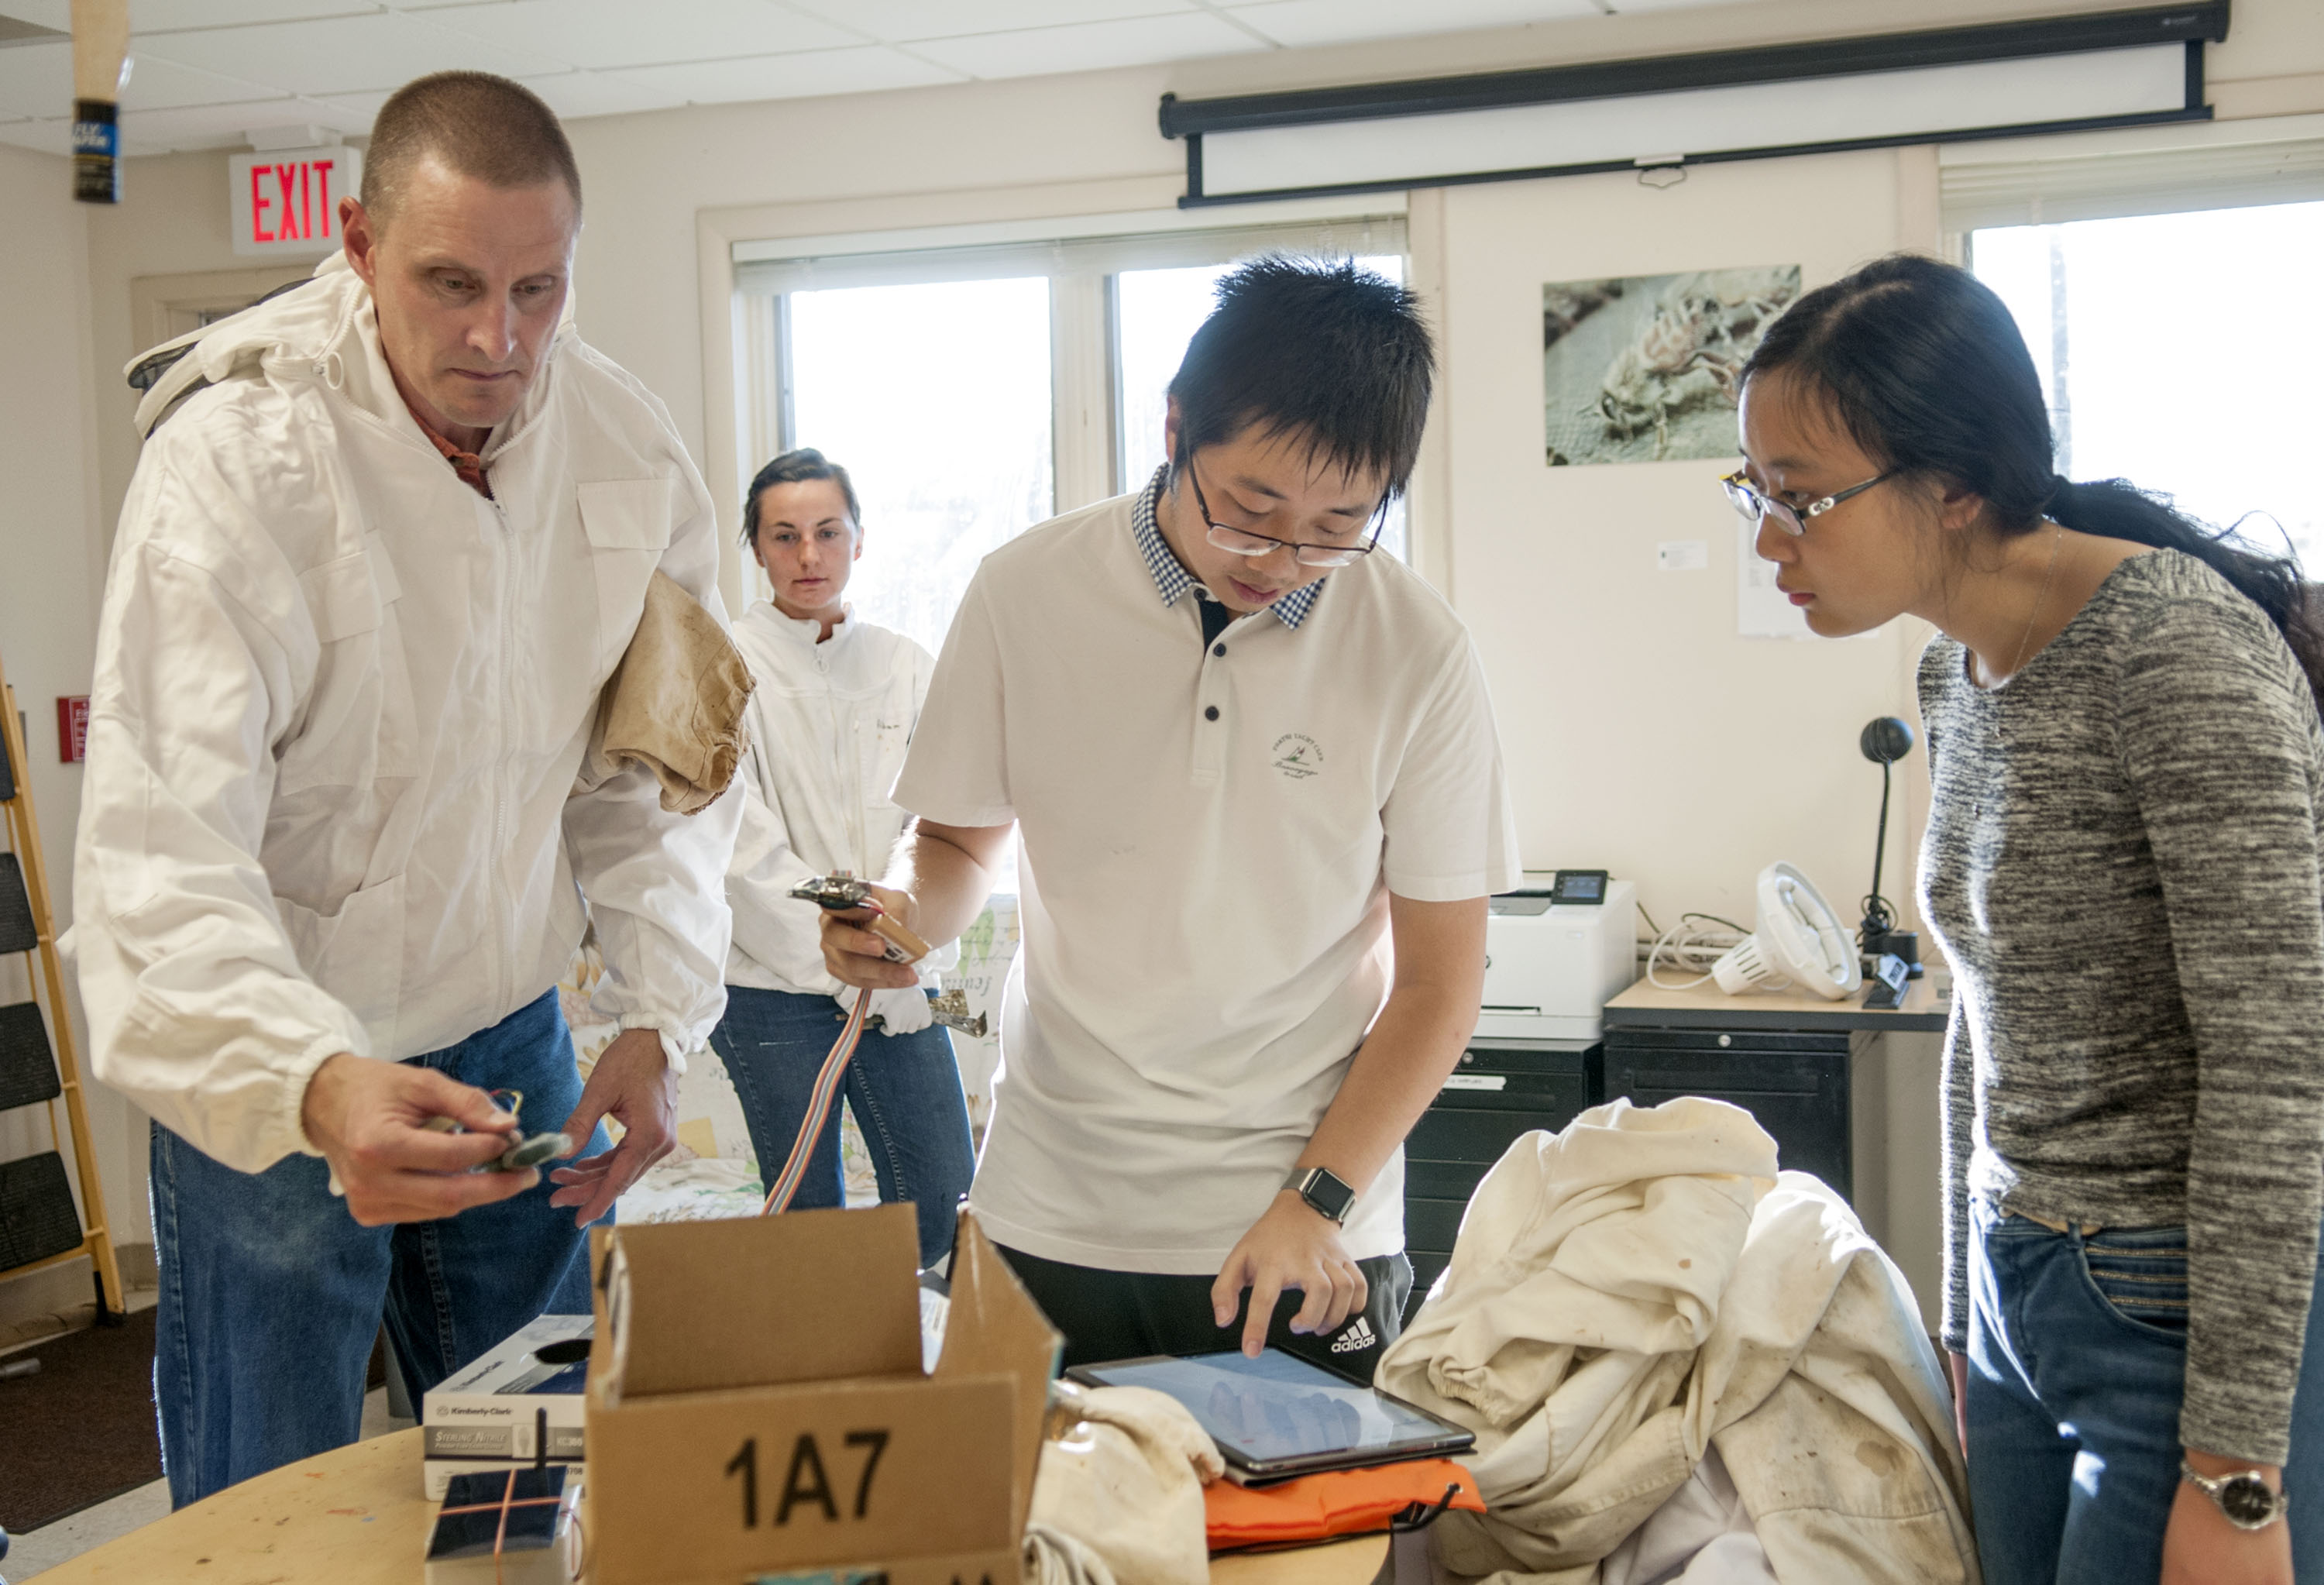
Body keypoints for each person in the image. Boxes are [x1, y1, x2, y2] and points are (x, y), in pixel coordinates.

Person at [73, 72, 737, 1504]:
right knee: (275, 1502)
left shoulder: (626, 455)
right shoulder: (234, 469)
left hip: (512, 1037)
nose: (499, 339)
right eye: (449, 283)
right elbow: (161, 866)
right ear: (358, 245)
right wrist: (310, 1088)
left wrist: (654, 1015)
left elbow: (651, 776)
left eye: (538, 289)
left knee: (529, 1483)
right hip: (285, 1070)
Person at [1728, 252, 2323, 1585]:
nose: (1771, 539)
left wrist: (2235, 1471)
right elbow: (1977, 1018)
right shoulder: (1957, 671)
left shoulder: (2176, 652)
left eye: (1801, 497)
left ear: (1956, 488)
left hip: (2178, 1306)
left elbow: (2277, 1065)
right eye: (1754, 494)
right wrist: (1957, 1314)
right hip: (2015, 1295)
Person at [819, 257, 1518, 1377]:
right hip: (1051, 1205)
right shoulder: (1026, 589)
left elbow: (1442, 981)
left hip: (1302, 1231)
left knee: (1305, 1554)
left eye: (1339, 526)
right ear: (1175, 427)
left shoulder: (1415, 648)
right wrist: (904, 911)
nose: (1284, 562)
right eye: (1251, 511)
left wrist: (1317, 1198)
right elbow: (956, 839)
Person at [711, 448, 975, 1269]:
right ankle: (823, 1387)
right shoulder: (721, 665)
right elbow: (735, 844)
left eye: (828, 532)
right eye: (784, 536)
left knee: (944, 1194)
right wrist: (831, 954)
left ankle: (930, 1377)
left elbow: (941, 820)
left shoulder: (906, 666)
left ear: (860, 540)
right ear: (754, 549)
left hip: (896, 974)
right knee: (808, 1222)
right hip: (769, 989)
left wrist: (891, 934)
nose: (808, 556)